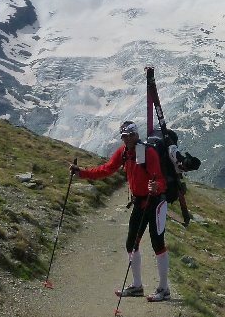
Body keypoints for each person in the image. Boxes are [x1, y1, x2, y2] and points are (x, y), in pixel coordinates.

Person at [70, 120, 171, 302]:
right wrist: (81, 173)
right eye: (125, 136)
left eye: (131, 135)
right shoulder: (123, 152)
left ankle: (164, 288)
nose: (128, 139)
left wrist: (156, 186)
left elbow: (161, 180)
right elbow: (106, 169)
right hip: (140, 202)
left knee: (157, 243)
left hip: (155, 202)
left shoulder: (148, 152)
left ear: (136, 135)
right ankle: (137, 285)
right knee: (131, 243)